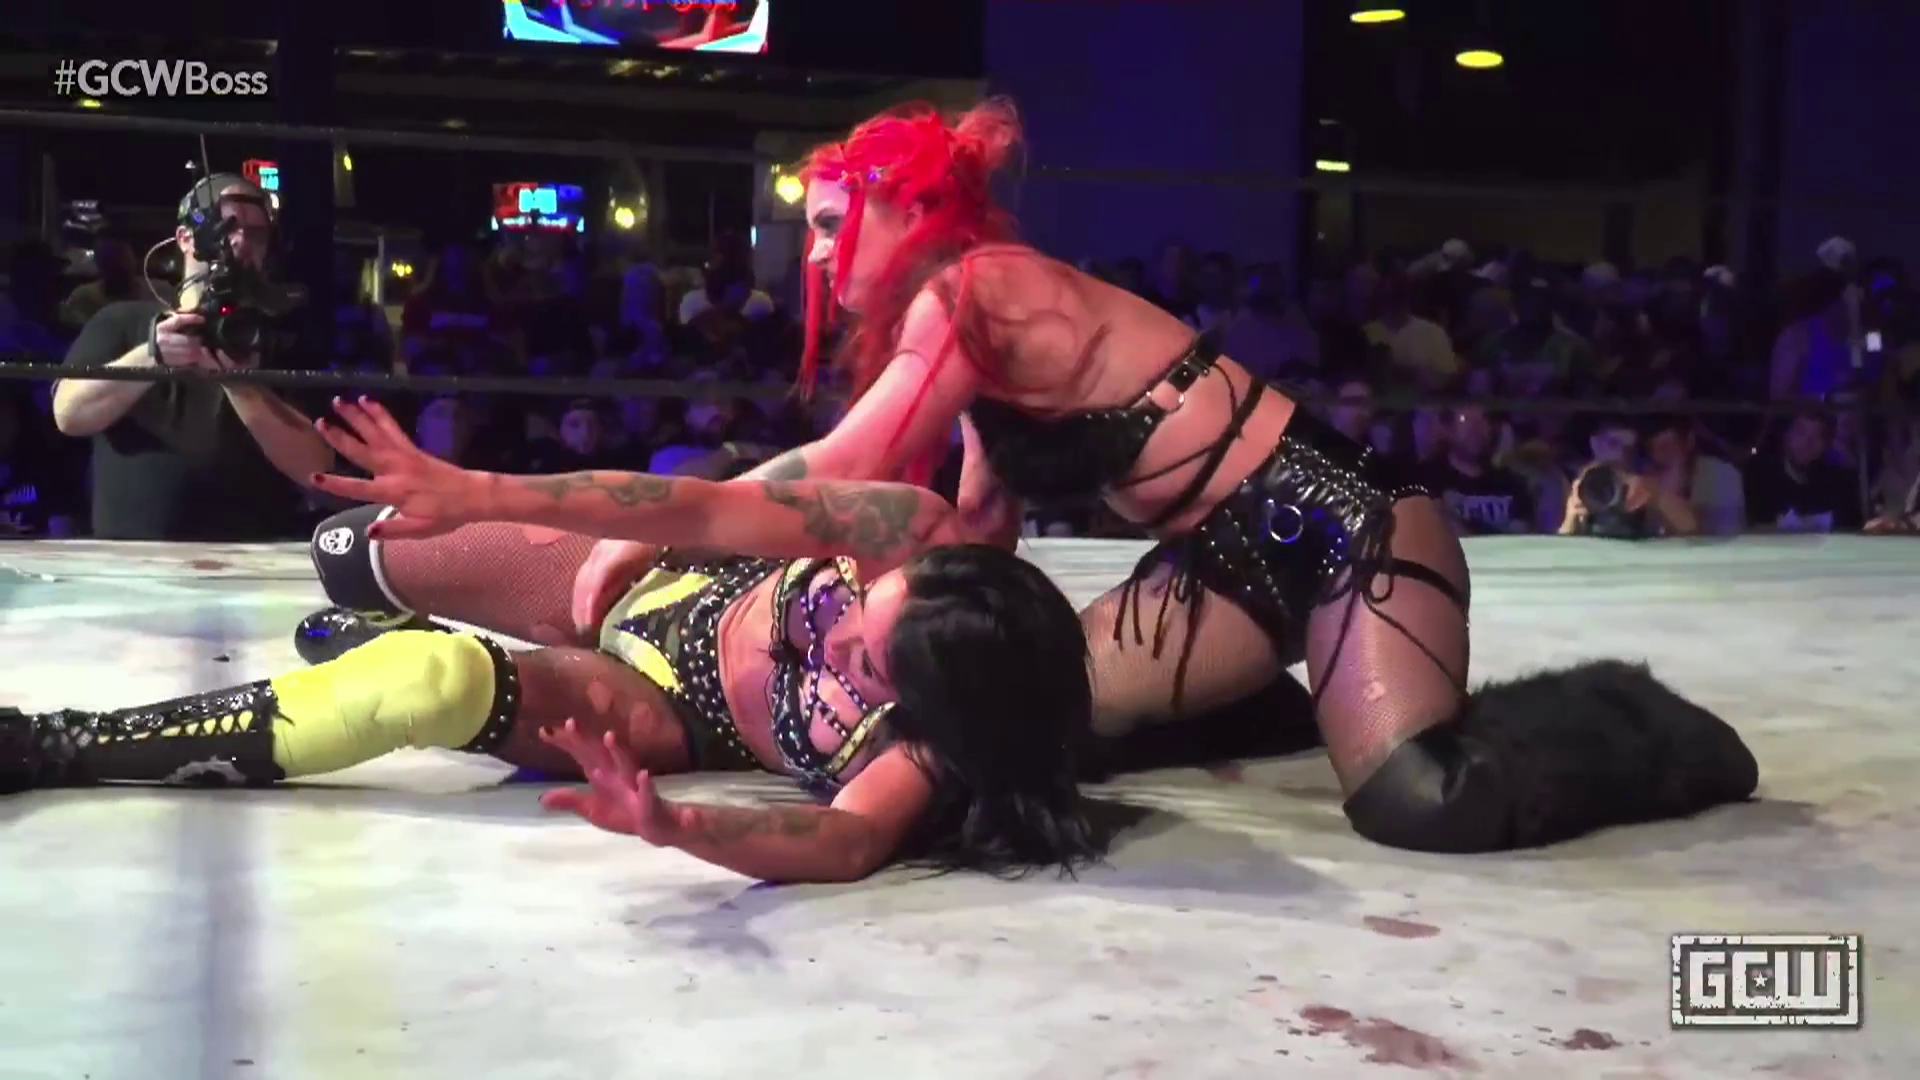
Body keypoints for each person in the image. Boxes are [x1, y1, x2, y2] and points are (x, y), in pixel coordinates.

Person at [570, 99, 1758, 855]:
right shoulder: (972, 335)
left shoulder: (976, 290)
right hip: (1218, 568)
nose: (821, 253)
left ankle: (1631, 717)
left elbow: (847, 469)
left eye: (837, 222)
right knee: (1039, 718)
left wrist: (666, 526)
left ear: (906, 206)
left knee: (1420, 802)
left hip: (1343, 527)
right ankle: (1284, 701)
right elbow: (979, 525)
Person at [1, 398, 1100, 886]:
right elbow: (708, 506)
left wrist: (680, 826)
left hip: (662, 701)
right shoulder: (910, 529)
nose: (845, 628)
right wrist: (479, 489)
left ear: (932, 703)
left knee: (428, 683)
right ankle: (393, 611)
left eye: (867, 660)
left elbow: (841, 844)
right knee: (345, 544)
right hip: (667, 577)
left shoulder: (926, 754)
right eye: (866, 604)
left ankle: (58, 742)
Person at [49, 173, 333, 541]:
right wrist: (152, 356)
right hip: (130, 560)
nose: (241, 242)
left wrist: (242, 387)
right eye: (227, 227)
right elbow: (68, 414)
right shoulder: (123, 321)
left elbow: (316, 468)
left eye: (257, 234)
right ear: (185, 238)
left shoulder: (278, 338)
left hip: (248, 559)